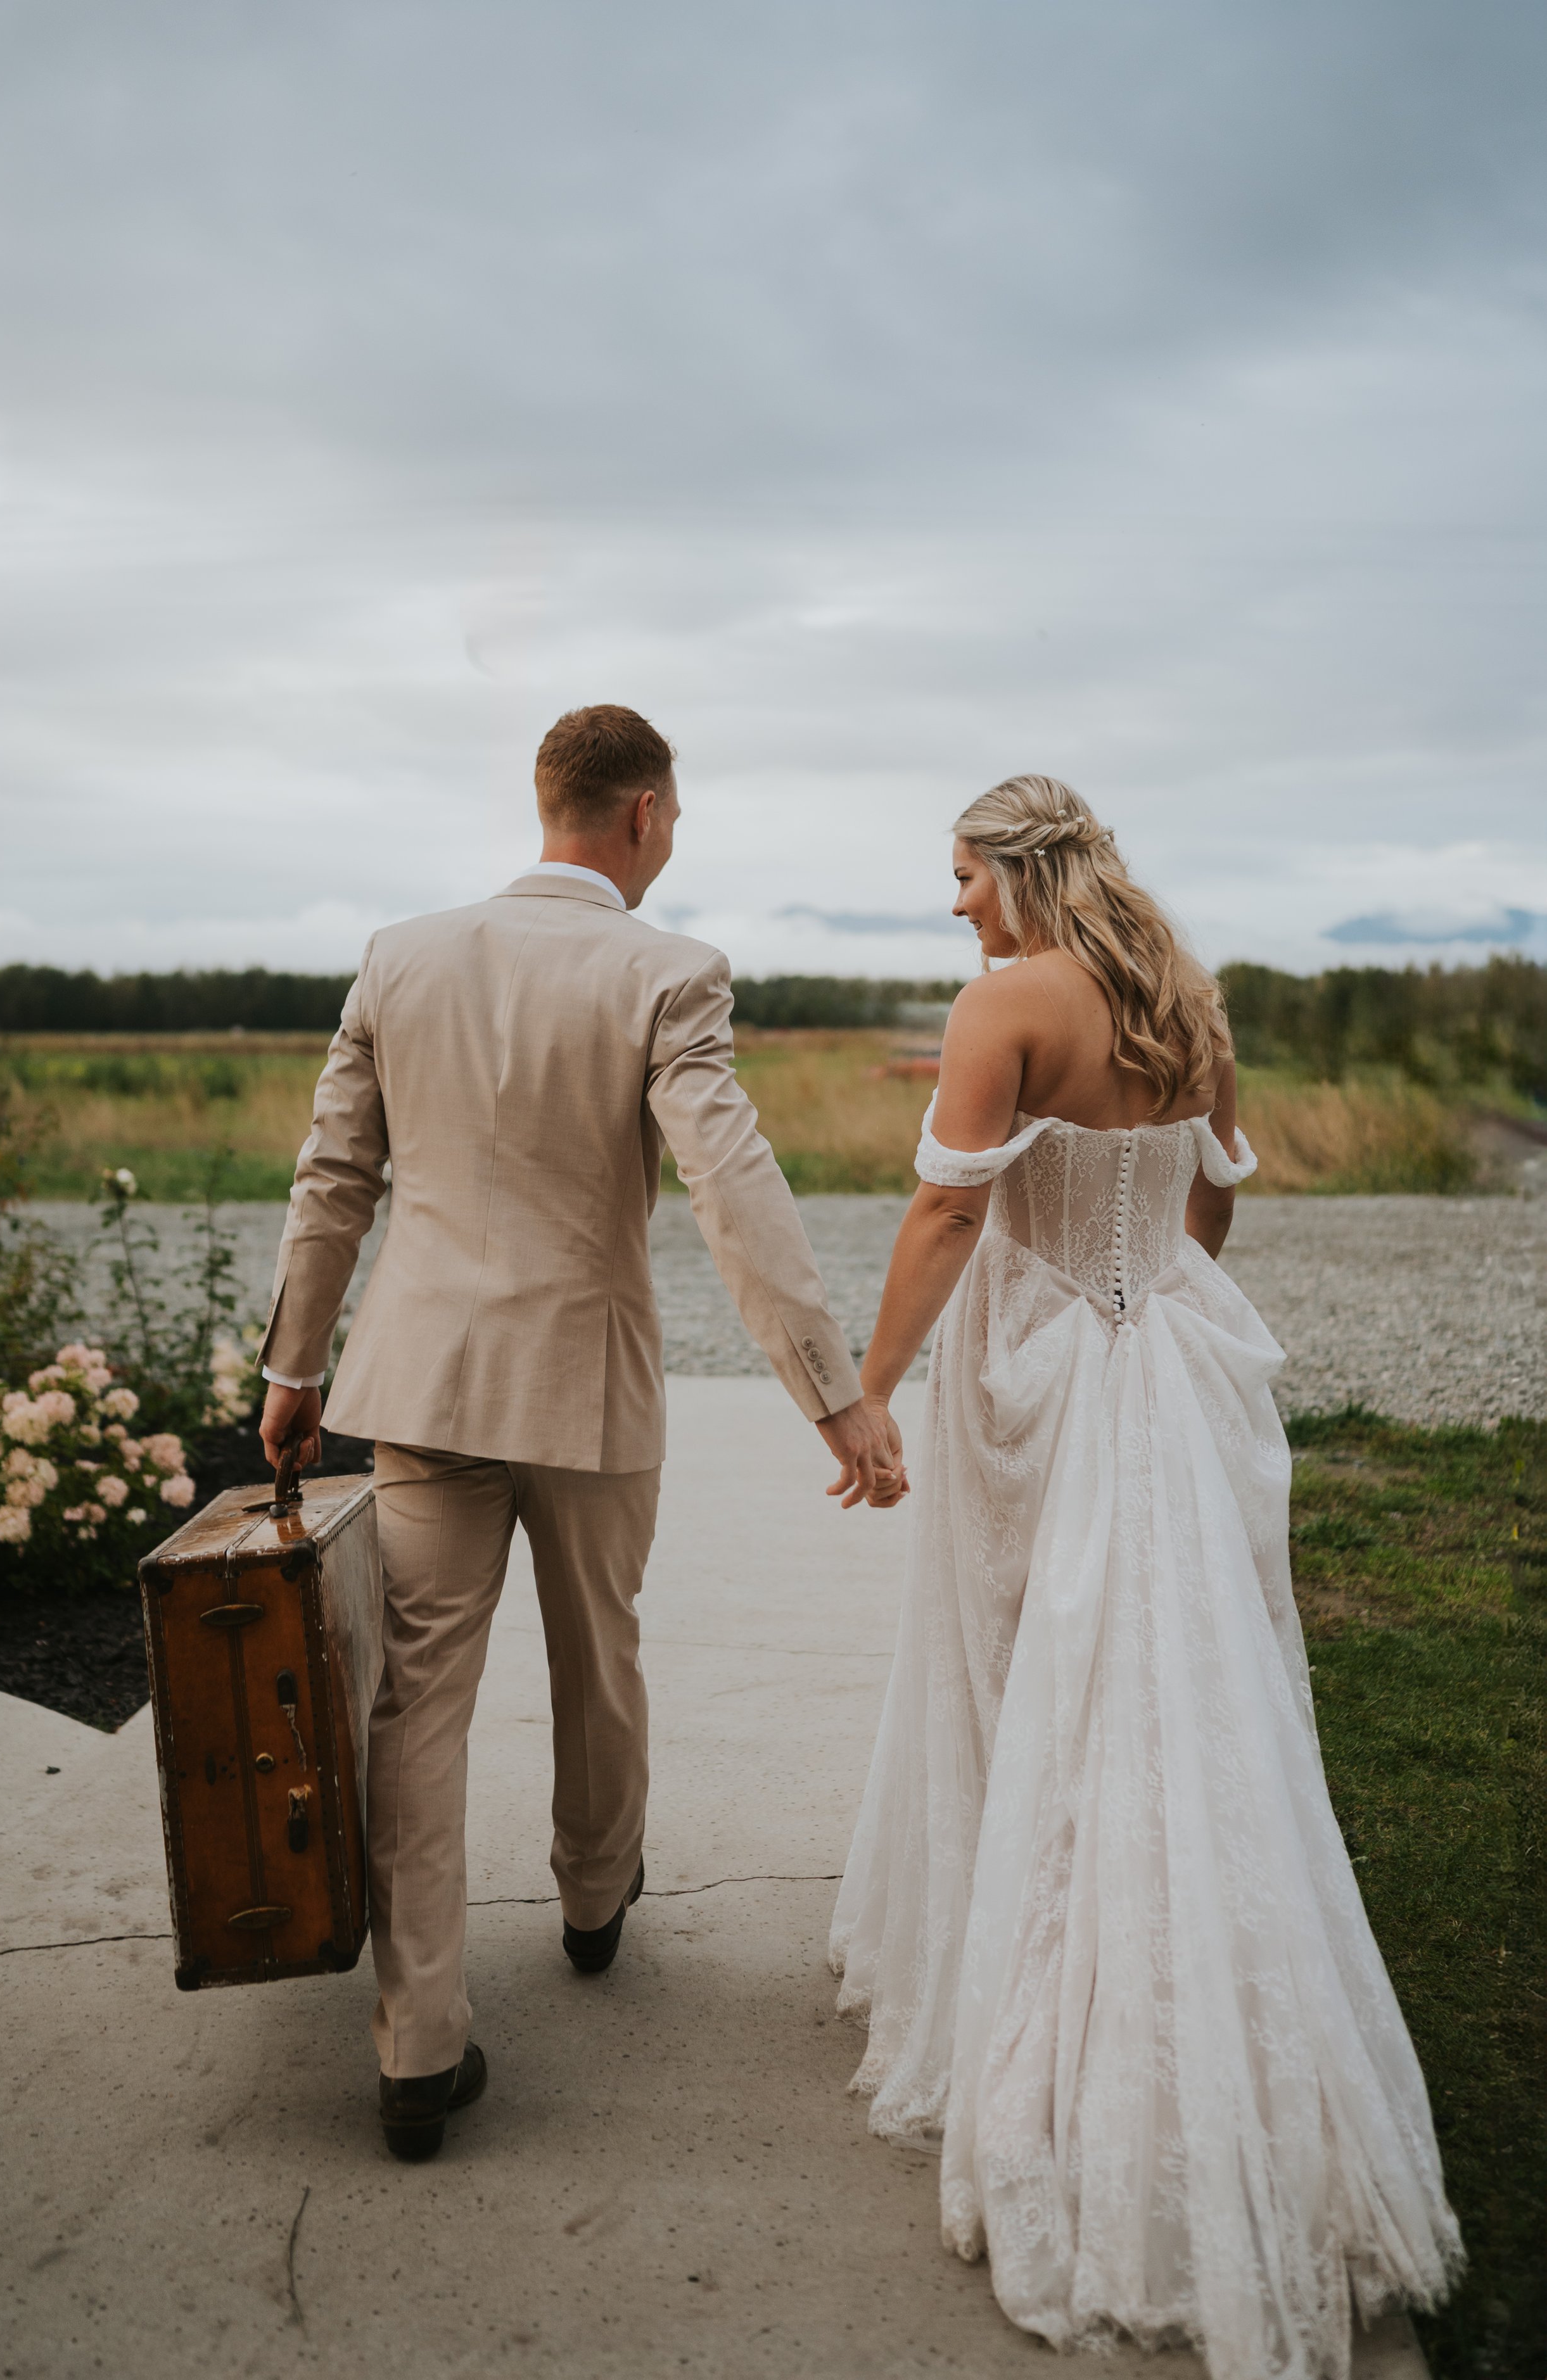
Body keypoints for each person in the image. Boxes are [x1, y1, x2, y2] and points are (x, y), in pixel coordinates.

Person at [831, 776, 1460, 2380]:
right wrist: (1147, 1301)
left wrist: (872, 1384)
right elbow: (1216, 1190)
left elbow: (944, 1208)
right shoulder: (1179, 988)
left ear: (1020, 869)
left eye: (963, 874)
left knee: (1042, 1661)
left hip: (1040, 1366)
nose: (953, 903)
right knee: (1171, 1675)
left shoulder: (1009, 1003)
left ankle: (1064, 2033)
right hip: (1164, 1358)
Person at [258, 703, 900, 2162]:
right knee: (597, 1651)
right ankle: (594, 1898)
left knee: (417, 1697)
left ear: (546, 800)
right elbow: (733, 1187)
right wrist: (830, 1389)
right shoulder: (666, 973)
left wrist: (296, 1367)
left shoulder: (400, 954)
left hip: (421, 1385)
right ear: (646, 815)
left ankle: (417, 2045)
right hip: (588, 1387)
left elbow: (329, 1179)